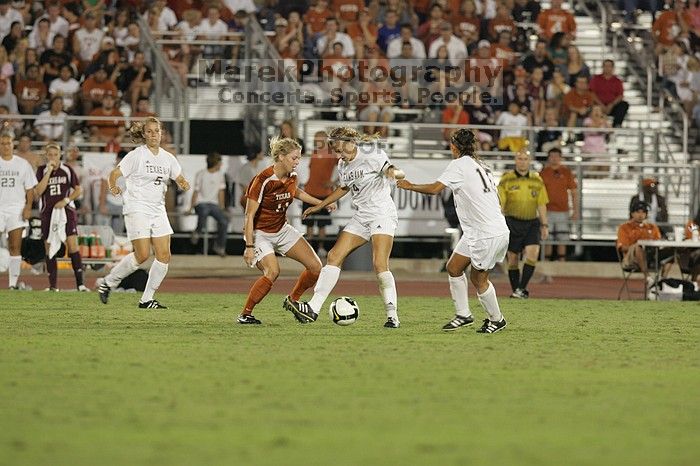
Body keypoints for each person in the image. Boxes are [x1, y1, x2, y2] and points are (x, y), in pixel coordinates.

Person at [285, 127, 406, 328]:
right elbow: (344, 188)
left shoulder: (372, 154)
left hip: (382, 213)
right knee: (333, 256)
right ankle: (313, 309)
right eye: (337, 152)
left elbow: (390, 169)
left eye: (340, 150)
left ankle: (392, 316)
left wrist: (397, 174)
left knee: (379, 264)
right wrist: (319, 205)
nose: (339, 155)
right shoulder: (343, 164)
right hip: (361, 216)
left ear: (350, 142)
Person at [396, 129, 509, 334]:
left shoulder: (459, 164)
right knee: (454, 267)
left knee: (478, 279)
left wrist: (409, 185)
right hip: (482, 229)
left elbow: (434, 189)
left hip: (486, 232)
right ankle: (463, 314)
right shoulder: (480, 165)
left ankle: (497, 319)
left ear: (454, 146)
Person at [239, 136, 336, 325]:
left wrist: (322, 203)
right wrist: (249, 246)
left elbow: (296, 192)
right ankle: (246, 314)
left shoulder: (292, 176)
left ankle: (293, 299)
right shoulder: (263, 180)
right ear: (281, 157)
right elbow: (249, 215)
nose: (297, 162)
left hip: (281, 229)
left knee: (316, 268)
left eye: (299, 158)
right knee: (273, 271)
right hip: (260, 234)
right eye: (294, 158)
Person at [96, 117, 191, 309]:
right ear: (144, 134)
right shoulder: (136, 155)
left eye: (157, 131)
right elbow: (114, 174)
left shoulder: (168, 158)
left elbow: (178, 176)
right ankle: (108, 282)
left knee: (164, 255)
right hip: (137, 207)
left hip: (158, 209)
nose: (154, 134)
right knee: (142, 255)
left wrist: (182, 182)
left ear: (161, 133)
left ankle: (146, 299)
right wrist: (113, 187)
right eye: (150, 131)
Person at [34, 142, 88, 292]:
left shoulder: (67, 170)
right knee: (50, 247)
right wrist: (49, 172)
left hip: (66, 212)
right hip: (48, 213)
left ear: (60, 155)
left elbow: (78, 190)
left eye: (55, 155)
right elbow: (38, 191)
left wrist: (66, 200)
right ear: (46, 156)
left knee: (72, 245)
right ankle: (52, 286)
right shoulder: (41, 171)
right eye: (50, 155)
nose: (52, 157)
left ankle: (81, 285)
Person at [498, 149, 549, 298]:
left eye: (525, 159)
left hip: (531, 222)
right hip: (512, 221)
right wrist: (499, 220)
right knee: (512, 259)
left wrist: (544, 225)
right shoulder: (506, 179)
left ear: (530, 161)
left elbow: (541, 204)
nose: (522, 161)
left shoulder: (537, 179)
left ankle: (521, 288)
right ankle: (517, 290)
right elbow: (501, 201)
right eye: (520, 159)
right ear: (515, 161)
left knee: (533, 254)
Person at [0, 131, 36, 289]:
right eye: (2, 143)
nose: (6, 146)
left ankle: (12, 284)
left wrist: (28, 207)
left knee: (15, 246)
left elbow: (30, 189)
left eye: (8, 143)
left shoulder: (22, 164)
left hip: (16, 209)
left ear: (13, 144)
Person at [539, 148, 579, 261]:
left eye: (556, 156)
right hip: (547, 211)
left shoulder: (566, 172)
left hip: (563, 211)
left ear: (560, 158)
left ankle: (562, 262)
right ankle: (546, 261)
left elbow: (574, 192)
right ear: (548, 158)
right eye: (552, 156)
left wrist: (575, 211)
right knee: (547, 238)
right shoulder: (543, 173)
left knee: (563, 238)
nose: (554, 159)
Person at [302, 131, 337, 257]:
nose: (317, 142)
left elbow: (344, 165)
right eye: (316, 139)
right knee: (309, 223)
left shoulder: (332, 154)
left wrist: (334, 182)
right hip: (310, 192)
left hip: (324, 194)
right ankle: (310, 250)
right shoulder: (314, 153)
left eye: (319, 139)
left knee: (322, 224)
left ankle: (321, 248)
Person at [617, 201, 672, 279]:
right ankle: (648, 278)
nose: (640, 215)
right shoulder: (624, 228)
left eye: (643, 212)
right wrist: (638, 247)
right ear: (632, 213)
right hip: (631, 259)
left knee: (672, 251)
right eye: (638, 212)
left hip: (651, 256)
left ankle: (663, 279)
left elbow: (659, 242)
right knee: (639, 247)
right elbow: (622, 247)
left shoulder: (652, 227)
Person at [189, 152, 229, 257]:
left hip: (214, 205)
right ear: (216, 163)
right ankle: (197, 232)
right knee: (204, 210)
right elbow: (196, 192)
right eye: (220, 162)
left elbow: (221, 192)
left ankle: (219, 246)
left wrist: (222, 207)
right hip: (201, 203)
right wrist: (191, 207)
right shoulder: (201, 174)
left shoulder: (220, 175)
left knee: (224, 221)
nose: (221, 165)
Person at [98, 150, 126, 235]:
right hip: (109, 201)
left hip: (122, 204)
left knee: (118, 232)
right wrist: (102, 205)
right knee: (105, 231)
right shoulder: (108, 168)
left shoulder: (129, 170)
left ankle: (117, 248)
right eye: (120, 160)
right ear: (116, 159)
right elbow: (103, 187)